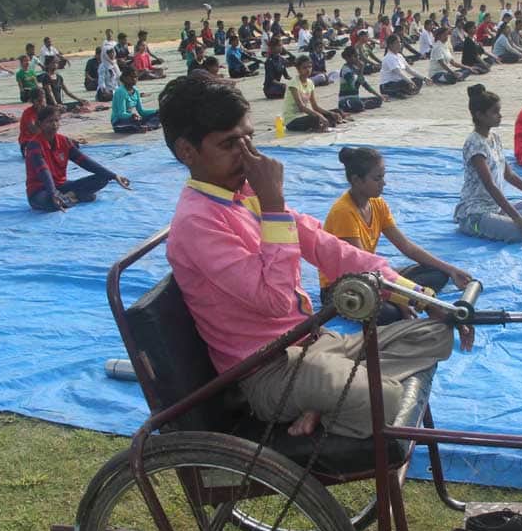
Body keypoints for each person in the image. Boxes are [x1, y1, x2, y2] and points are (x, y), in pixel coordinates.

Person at [160, 76, 468, 438]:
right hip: (267, 370)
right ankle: (332, 399)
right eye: (229, 144)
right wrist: (274, 206)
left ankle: (324, 401)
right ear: (187, 152)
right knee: (385, 399)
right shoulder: (197, 223)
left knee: (437, 333)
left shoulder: (244, 193)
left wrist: (421, 296)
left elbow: (329, 248)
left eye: (249, 139)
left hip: (314, 343)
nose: (247, 155)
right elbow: (275, 300)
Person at [322, 147, 473, 324]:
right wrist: (401, 300)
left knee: (438, 273)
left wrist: (451, 269)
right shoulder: (344, 213)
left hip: (372, 277)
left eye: (383, 177)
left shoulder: (377, 204)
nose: (383, 183)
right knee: (392, 314)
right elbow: (360, 268)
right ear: (357, 180)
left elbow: (406, 246)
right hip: (345, 286)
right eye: (377, 178)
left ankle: (398, 289)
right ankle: (396, 295)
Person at [454, 84, 522, 243]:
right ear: (480, 115)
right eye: (495, 112)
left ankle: (501, 221)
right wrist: (517, 218)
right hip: (475, 214)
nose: (499, 116)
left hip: (496, 208)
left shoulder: (494, 138)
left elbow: (509, 175)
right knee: (519, 232)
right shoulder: (475, 144)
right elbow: (490, 186)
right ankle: (489, 224)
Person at [24, 106, 130, 212]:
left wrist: (114, 175)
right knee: (49, 202)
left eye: (56, 120)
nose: (54, 124)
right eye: (50, 121)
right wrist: (53, 193)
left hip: (62, 186)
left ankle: (71, 197)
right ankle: (75, 197)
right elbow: (44, 172)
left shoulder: (63, 141)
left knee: (103, 177)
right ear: (39, 124)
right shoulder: (34, 145)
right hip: (41, 190)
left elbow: (84, 161)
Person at [282, 55, 344, 132]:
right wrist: (320, 116)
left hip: (305, 116)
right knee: (316, 118)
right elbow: (301, 107)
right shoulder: (293, 83)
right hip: (292, 120)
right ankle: (320, 125)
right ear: (298, 69)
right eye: (304, 68)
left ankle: (322, 124)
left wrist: (330, 113)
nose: (308, 70)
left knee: (336, 112)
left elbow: (315, 107)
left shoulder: (310, 82)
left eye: (310, 67)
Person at [337, 47, 383, 113]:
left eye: (357, 56)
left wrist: (378, 95)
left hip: (355, 98)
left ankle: (362, 104)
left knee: (378, 100)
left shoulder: (355, 68)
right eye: (355, 56)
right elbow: (354, 86)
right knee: (358, 104)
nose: (357, 58)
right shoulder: (346, 70)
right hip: (345, 100)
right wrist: (361, 70)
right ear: (348, 58)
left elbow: (365, 85)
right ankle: (361, 105)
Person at [18, 88, 45, 157]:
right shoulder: (28, 113)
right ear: (33, 101)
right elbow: (34, 130)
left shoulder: (45, 110)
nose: (42, 102)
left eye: (43, 100)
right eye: (39, 101)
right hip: (28, 140)